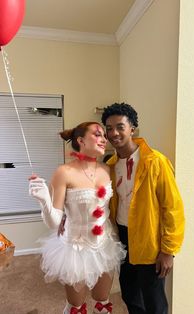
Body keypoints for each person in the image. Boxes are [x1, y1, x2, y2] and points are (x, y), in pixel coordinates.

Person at [29, 122, 126, 314]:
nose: (104, 139)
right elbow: (54, 221)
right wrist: (44, 202)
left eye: (104, 136)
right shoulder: (64, 172)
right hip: (75, 248)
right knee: (76, 305)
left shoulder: (108, 169)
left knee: (102, 301)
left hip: (104, 245)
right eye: (97, 135)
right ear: (80, 140)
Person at [101, 103, 185, 314]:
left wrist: (168, 251)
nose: (114, 133)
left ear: (133, 129)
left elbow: (172, 207)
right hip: (123, 238)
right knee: (130, 294)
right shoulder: (110, 165)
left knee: (154, 301)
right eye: (109, 128)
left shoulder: (155, 162)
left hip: (150, 241)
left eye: (120, 126)